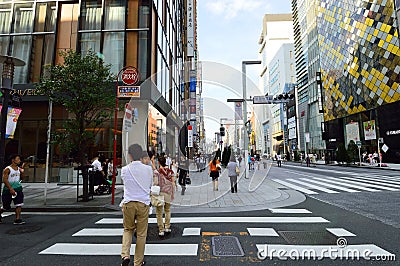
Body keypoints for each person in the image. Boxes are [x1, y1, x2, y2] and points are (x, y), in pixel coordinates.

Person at [120, 144, 152, 266]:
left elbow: (126, 186)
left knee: (128, 229)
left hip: (128, 203)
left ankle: (125, 255)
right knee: (141, 234)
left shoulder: (124, 170)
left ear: (130, 155)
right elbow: (149, 186)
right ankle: (138, 262)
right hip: (143, 203)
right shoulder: (148, 170)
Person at [1, 154, 26, 225]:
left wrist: (22, 172)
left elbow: (22, 178)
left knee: (19, 204)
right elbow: (5, 180)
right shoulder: (8, 169)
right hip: (8, 190)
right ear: (13, 160)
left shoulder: (18, 169)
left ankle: (17, 219)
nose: (19, 161)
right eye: (18, 159)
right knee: (6, 207)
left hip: (18, 188)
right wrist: (10, 189)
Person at [153, 156, 175, 236]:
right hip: (168, 192)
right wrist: (172, 193)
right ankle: (167, 227)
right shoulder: (170, 171)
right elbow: (173, 183)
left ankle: (161, 229)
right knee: (167, 210)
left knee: (159, 212)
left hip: (160, 193)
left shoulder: (157, 172)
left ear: (159, 162)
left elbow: (155, 183)